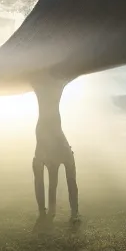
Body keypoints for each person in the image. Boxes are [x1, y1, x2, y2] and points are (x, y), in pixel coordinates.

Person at [31, 78, 80, 224]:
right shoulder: (49, 85)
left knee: (55, 177)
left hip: (56, 143)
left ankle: (69, 212)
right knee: (51, 177)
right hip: (51, 143)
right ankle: (51, 211)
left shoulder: (49, 85)